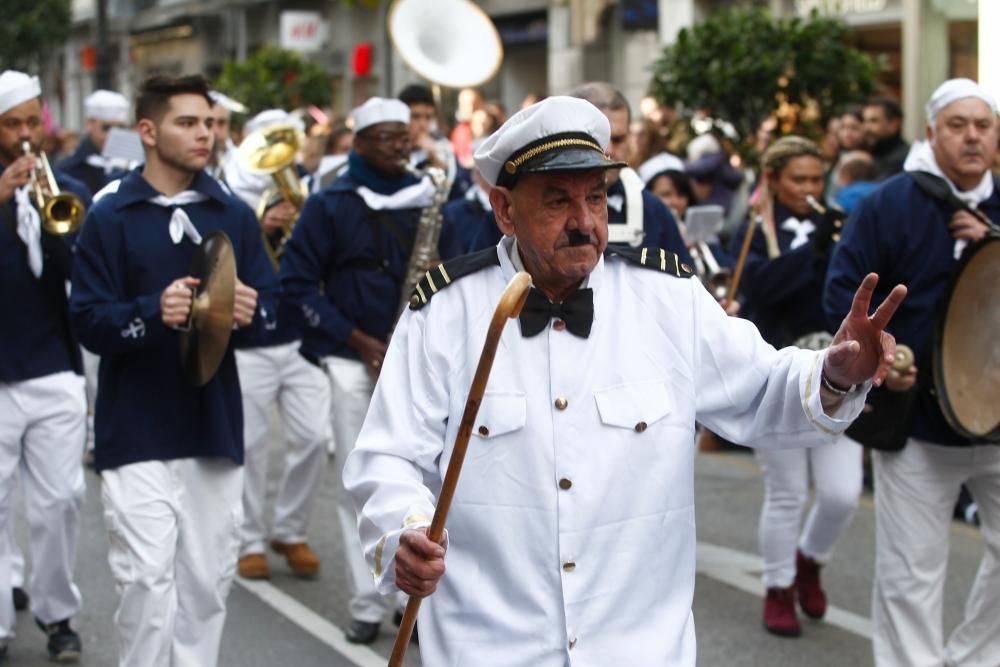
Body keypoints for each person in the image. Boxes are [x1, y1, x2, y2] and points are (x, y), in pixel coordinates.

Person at [342, 95, 906, 666]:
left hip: (641, 650)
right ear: (505, 211)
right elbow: (387, 458)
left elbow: (763, 389)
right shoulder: (443, 313)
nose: (584, 221)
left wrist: (835, 371)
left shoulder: (668, 299)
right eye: (559, 200)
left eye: (596, 197)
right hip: (490, 645)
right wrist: (405, 531)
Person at [69, 74, 277, 666]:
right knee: (145, 581)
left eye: (210, 123)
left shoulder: (233, 213)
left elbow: (276, 308)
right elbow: (87, 320)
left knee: (208, 585)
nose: (204, 134)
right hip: (134, 427)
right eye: (187, 123)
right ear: (147, 131)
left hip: (211, 425)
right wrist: (150, 313)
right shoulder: (110, 215)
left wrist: (251, 309)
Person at [825, 78, 1000, 667]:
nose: (972, 135)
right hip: (917, 423)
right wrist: (879, 355)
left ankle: (974, 659)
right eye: (958, 124)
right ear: (930, 133)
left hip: (998, 420)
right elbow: (843, 294)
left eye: (983, 124)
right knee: (911, 574)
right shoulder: (890, 203)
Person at [280, 96, 463, 645]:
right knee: (361, 480)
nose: (400, 145)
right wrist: (358, 342)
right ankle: (365, 601)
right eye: (386, 136)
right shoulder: (329, 202)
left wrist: (445, 274)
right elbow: (295, 285)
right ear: (358, 143)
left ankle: (417, 597)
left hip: (423, 362)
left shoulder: (432, 198)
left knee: (427, 478)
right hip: (353, 358)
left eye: (404, 135)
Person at [728, 136, 864, 637]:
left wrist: (838, 245)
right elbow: (763, 289)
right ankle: (779, 586)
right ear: (774, 182)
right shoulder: (753, 230)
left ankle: (811, 559)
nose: (809, 189)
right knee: (786, 492)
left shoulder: (840, 227)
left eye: (815, 180)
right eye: (797, 180)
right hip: (776, 376)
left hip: (837, 373)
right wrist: (815, 249)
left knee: (842, 494)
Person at [0, 69, 92, 663]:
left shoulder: (64, 188)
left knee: (60, 501)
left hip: (55, 366)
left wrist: (46, 208)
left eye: (34, 122)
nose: (26, 135)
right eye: (13, 124)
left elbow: (75, 270)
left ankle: (58, 613)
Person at [222, 109, 333, 582]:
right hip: (247, 341)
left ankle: (289, 528)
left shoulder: (305, 185)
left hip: (299, 336)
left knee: (311, 437)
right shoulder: (228, 194)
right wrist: (260, 225)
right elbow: (218, 257)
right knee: (250, 445)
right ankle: (247, 539)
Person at [570, 82, 691, 263]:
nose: (608, 150)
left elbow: (684, 285)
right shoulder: (538, 208)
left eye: (618, 139)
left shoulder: (654, 212)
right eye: (597, 139)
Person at [57, 89, 130, 194]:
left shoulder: (134, 166)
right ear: (89, 124)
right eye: (107, 128)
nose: (114, 136)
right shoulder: (69, 168)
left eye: (120, 128)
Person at [862, 97, 909, 181]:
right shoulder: (871, 156)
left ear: (894, 124)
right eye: (865, 121)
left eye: (873, 121)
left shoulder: (903, 161)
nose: (866, 128)